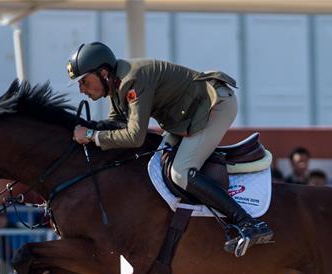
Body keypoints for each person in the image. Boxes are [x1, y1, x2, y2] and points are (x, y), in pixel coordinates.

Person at [67, 41, 272, 257]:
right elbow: (117, 123)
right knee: (154, 163)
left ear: (103, 72)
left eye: (84, 81)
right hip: (185, 118)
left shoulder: (131, 80)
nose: (82, 89)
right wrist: (89, 131)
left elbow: (135, 137)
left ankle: (247, 223)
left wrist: (91, 135)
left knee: (180, 172)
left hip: (215, 105)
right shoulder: (116, 85)